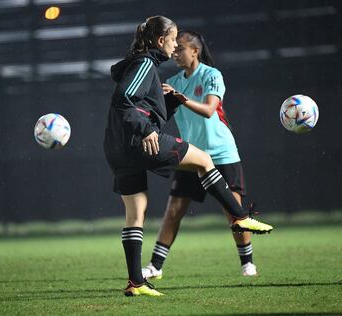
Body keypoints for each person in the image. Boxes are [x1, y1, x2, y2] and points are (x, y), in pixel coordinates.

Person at [103, 17, 273, 297]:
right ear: (161, 41)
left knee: (135, 214)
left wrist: (165, 101)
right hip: (139, 141)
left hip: (116, 148)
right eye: (172, 41)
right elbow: (125, 100)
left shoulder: (142, 66)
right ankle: (240, 217)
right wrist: (145, 129)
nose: (174, 47)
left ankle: (136, 283)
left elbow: (136, 105)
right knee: (205, 160)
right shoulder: (145, 63)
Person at [142, 30, 263, 281]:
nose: (175, 53)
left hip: (222, 154)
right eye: (174, 49)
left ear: (195, 51)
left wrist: (181, 99)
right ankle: (155, 266)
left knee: (234, 213)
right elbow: (160, 114)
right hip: (192, 156)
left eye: (181, 48)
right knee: (174, 210)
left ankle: (247, 263)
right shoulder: (174, 81)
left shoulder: (211, 75)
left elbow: (209, 110)